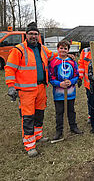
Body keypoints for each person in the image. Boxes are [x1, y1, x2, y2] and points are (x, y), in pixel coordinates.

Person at [5, 22, 57, 157]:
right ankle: (29, 145)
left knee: (39, 113)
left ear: (38, 36)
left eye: (35, 34)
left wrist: (67, 57)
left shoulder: (43, 49)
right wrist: (11, 86)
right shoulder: (18, 50)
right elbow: (10, 68)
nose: (33, 36)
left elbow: (54, 58)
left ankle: (38, 136)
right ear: (26, 35)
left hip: (41, 88)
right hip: (26, 91)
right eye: (31, 34)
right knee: (28, 117)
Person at [48, 40, 83, 142]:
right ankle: (59, 131)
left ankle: (73, 127)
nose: (63, 50)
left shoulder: (72, 62)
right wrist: (59, 84)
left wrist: (71, 82)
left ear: (68, 50)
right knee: (59, 112)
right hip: (58, 93)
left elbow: (76, 75)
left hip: (70, 92)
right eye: (61, 48)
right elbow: (51, 78)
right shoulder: (54, 62)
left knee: (71, 110)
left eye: (65, 48)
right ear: (58, 49)